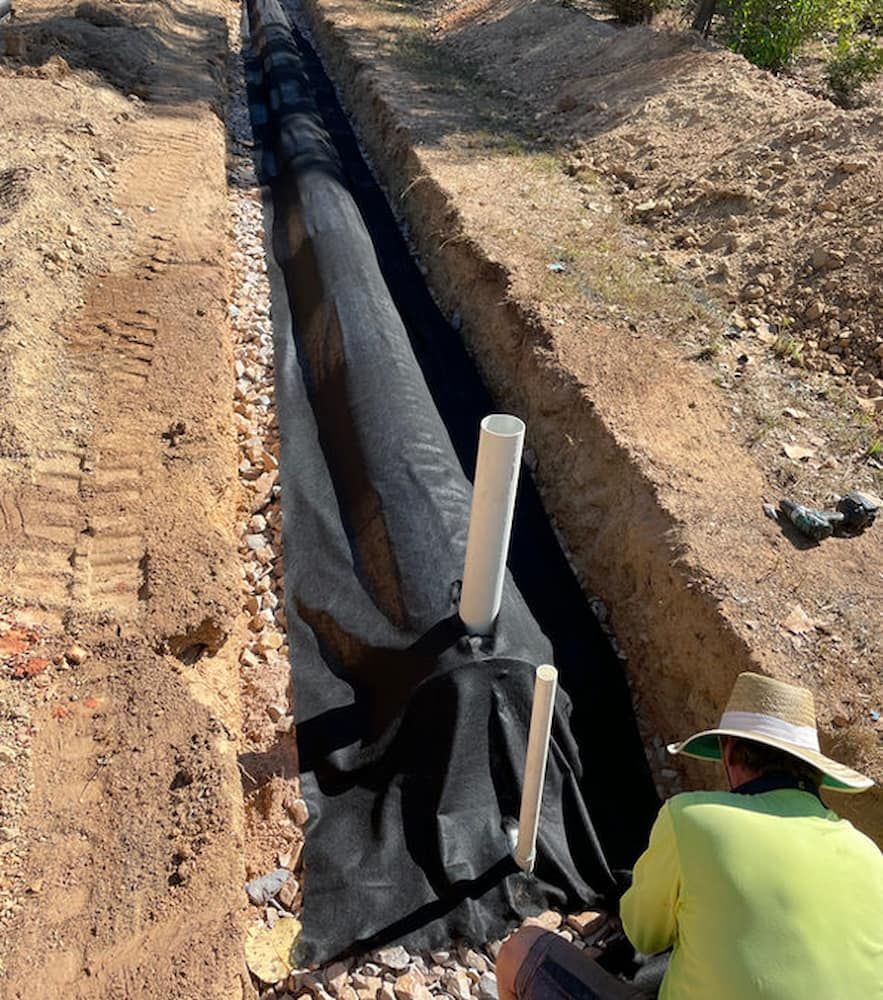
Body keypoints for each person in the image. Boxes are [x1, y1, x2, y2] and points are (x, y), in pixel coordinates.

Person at [497, 671, 883, 1000]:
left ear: (729, 752)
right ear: (815, 772)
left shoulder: (694, 818)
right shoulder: (870, 858)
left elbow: (643, 934)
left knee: (523, 950)